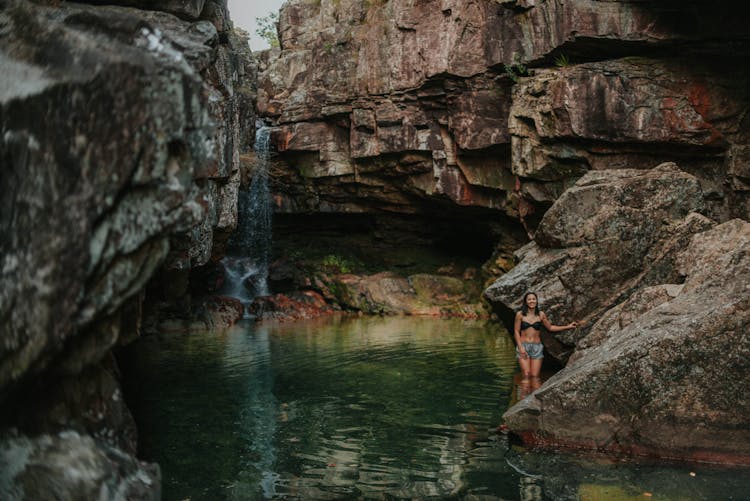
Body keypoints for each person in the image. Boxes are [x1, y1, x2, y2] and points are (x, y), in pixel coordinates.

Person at [514, 292, 577, 379]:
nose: (531, 301)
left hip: (537, 347)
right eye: (529, 299)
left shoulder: (541, 314)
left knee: (535, 376)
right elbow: (516, 331)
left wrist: (568, 326)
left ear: (536, 301)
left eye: (533, 299)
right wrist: (520, 347)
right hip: (524, 346)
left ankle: (535, 392)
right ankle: (525, 392)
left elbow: (550, 327)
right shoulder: (520, 314)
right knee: (526, 375)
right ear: (526, 301)